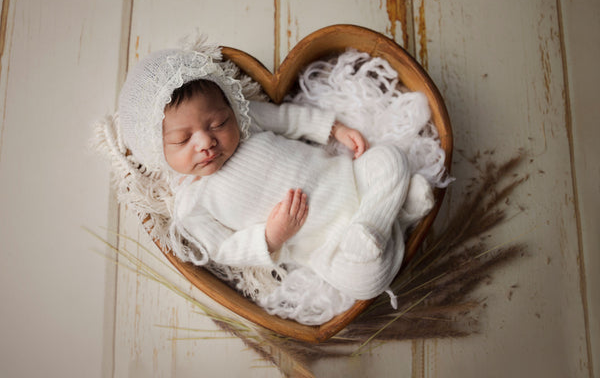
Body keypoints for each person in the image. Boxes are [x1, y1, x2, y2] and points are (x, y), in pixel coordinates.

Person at [117, 47, 434, 301]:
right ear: (158, 150)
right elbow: (224, 249)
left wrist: (334, 129)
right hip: (325, 245)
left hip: (349, 179)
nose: (206, 141)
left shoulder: (245, 121)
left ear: (231, 108)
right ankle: (397, 213)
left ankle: (378, 221)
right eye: (183, 139)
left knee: (390, 158)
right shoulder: (191, 205)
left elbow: (289, 119)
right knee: (366, 283)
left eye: (217, 123)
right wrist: (270, 237)